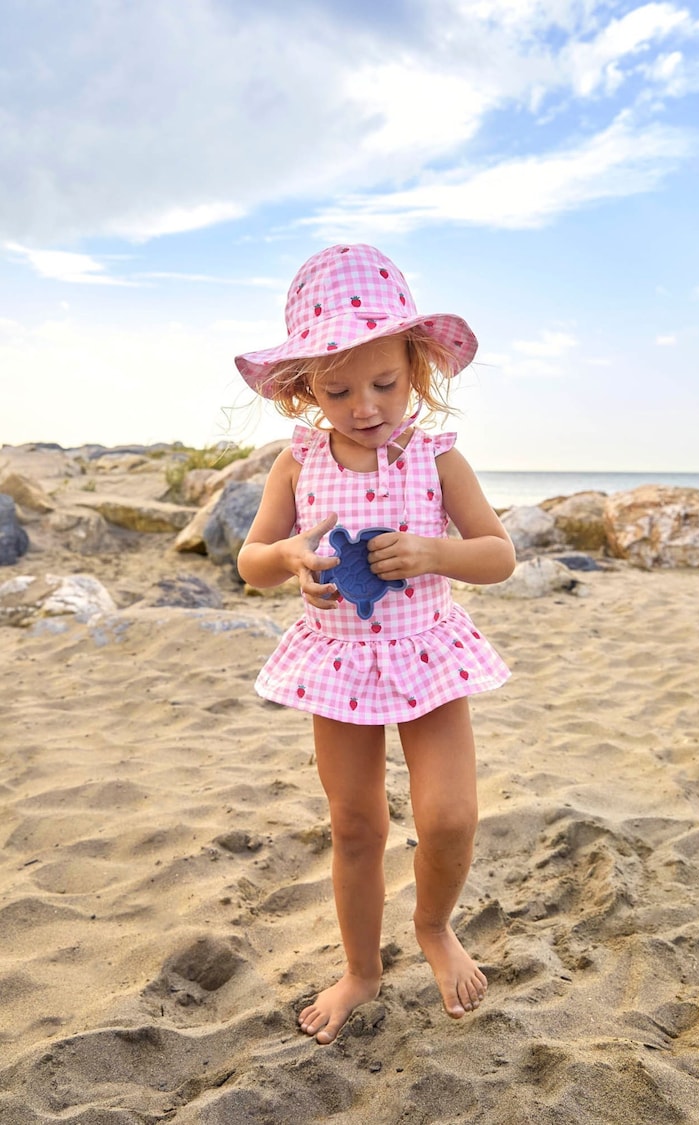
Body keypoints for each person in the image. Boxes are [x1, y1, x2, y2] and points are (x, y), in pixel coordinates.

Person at [234, 244, 515, 1044]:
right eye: (337, 388)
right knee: (356, 825)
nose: (364, 406)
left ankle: (433, 924)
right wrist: (288, 558)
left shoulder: (436, 454)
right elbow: (252, 561)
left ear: (415, 364)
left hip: (427, 652)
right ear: (303, 386)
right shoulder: (300, 461)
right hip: (339, 661)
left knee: (451, 815)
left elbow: (498, 554)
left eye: (384, 383)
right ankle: (360, 968)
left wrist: (433, 552)